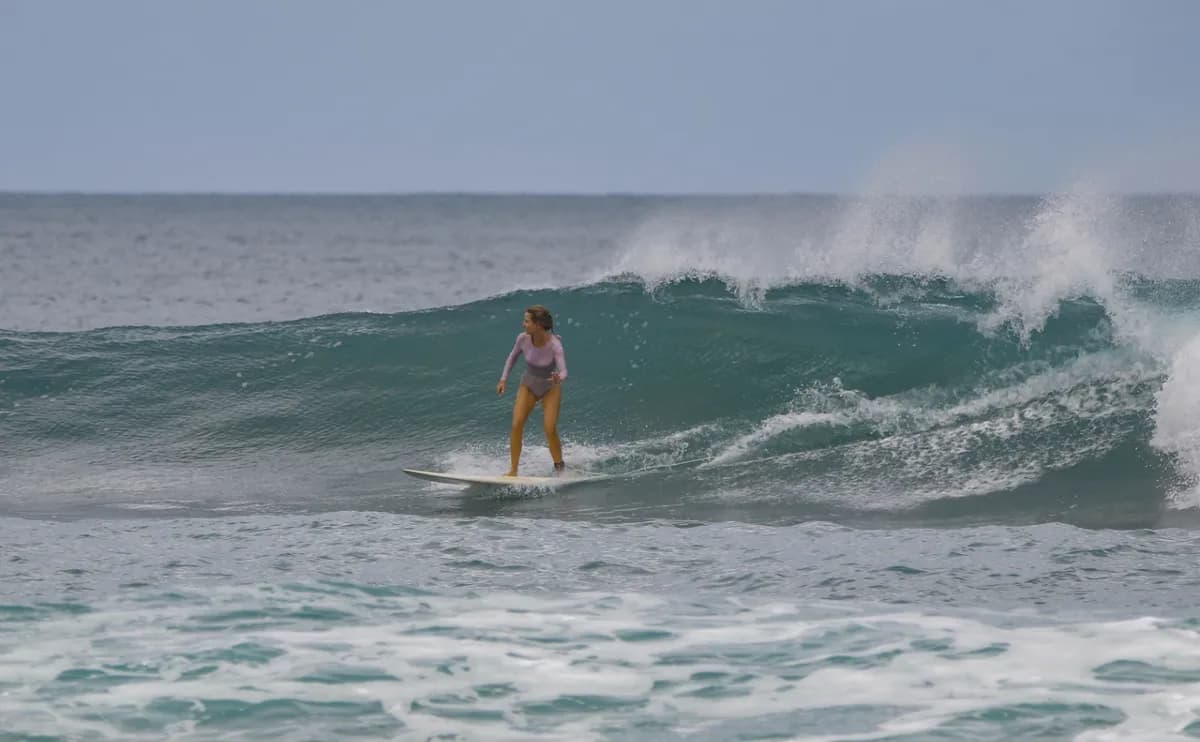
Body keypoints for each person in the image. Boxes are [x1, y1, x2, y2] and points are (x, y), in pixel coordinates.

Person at [496, 305, 568, 476]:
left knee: (550, 429)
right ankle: (513, 471)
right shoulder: (523, 339)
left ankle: (560, 468)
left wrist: (560, 377)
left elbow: (564, 370)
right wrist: (503, 379)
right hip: (528, 384)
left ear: (537, 324)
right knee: (516, 424)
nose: (523, 324)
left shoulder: (554, 345)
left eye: (527, 321)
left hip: (550, 387)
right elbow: (512, 357)